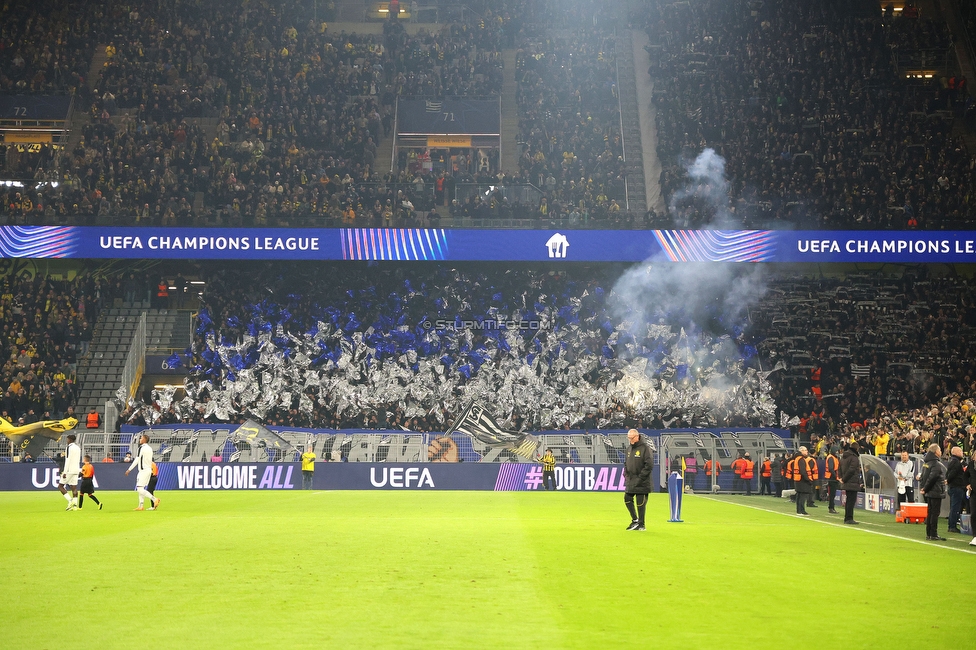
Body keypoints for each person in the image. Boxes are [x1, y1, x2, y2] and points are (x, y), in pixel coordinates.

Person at [623, 429, 653, 531]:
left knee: (640, 503)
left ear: (637, 436)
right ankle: (635, 520)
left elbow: (649, 465)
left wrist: (640, 478)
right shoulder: (628, 449)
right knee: (627, 498)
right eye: (629, 438)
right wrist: (626, 474)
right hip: (631, 480)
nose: (630, 440)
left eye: (632, 438)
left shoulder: (645, 448)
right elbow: (626, 463)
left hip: (642, 482)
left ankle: (642, 524)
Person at [918, 443, 947, 541]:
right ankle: (933, 534)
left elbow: (923, 477)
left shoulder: (926, 463)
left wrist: (924, 488)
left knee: (930, 513)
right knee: (934, 513)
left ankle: (929, 533)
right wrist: (925, 488)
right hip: (935, 491)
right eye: (939, 450)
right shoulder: (936, 464)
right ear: (936, 452)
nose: (941, 451)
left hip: (929, 491)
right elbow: (932, 478)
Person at [125, 434, 160, 511]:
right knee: (141, 487)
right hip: (148, 470)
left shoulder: (141, 448)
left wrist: (129, 469)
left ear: (144, 440)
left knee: (139, 489)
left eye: (141, 438)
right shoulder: (150, 448)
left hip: (143, 470)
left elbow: (137, 459)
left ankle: (154, 499)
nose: (140, 439)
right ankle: (141, 506)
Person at [945, 446, 967, 534]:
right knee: (955, 507)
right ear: (956, 453)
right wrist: (949, 480)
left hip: (953, 487)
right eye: (961, 451)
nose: (962, 453)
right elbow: (952, 474)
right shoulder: (956, 462)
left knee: (954, 507)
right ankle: (952, 526)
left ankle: (952, 525)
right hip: (956, 487)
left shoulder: (952, 461)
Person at [840, 443, 862, 525]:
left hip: (846, 482)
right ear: (857, 449)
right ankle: (849, 518)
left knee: (848, 500)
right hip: (852, 482)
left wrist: (842, 478)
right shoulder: (854, 458)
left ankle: (847, 517)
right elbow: (852, 470)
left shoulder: (844, 456)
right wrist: (845, 479)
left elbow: (840, 467)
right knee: (851, 501)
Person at [58, 433, 81, 510]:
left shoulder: (69, 447)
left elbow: (68, 460)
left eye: (67, 439)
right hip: (76, 470)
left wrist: (64, 472)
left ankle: (70, 501)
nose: (67, 441)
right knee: (74, 488)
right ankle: (75, 506)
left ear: (70, 440)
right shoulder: (78, 448)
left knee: (60, 486)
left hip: (69, 470)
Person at [794, 446, 815, 516]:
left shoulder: (797, 458)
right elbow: (803, 471)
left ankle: (799, 510)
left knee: (799, 495)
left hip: (798, 479)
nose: (807, 452)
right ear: (801, 451)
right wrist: (808, 480)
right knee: (802, 496)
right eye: (805, 450)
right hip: (802, 480)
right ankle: (801, 511)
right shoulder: (801, 459)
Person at [824, 448, 841, 513]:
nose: (837, 453)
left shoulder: (834, 457)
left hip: (833, 477)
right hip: (832, 478)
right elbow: (831, 468)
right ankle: (831, 508)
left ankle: (831, 507)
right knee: (832, 494)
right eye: (836, 451)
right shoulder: (831, 458)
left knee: (832, 494)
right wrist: (836, 476)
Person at [966, 450, 976, 547]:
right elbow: (965, 476)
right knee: (974, 515)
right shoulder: (971, 465)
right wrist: (967, 484)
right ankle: (975, 536)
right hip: (974, 494)